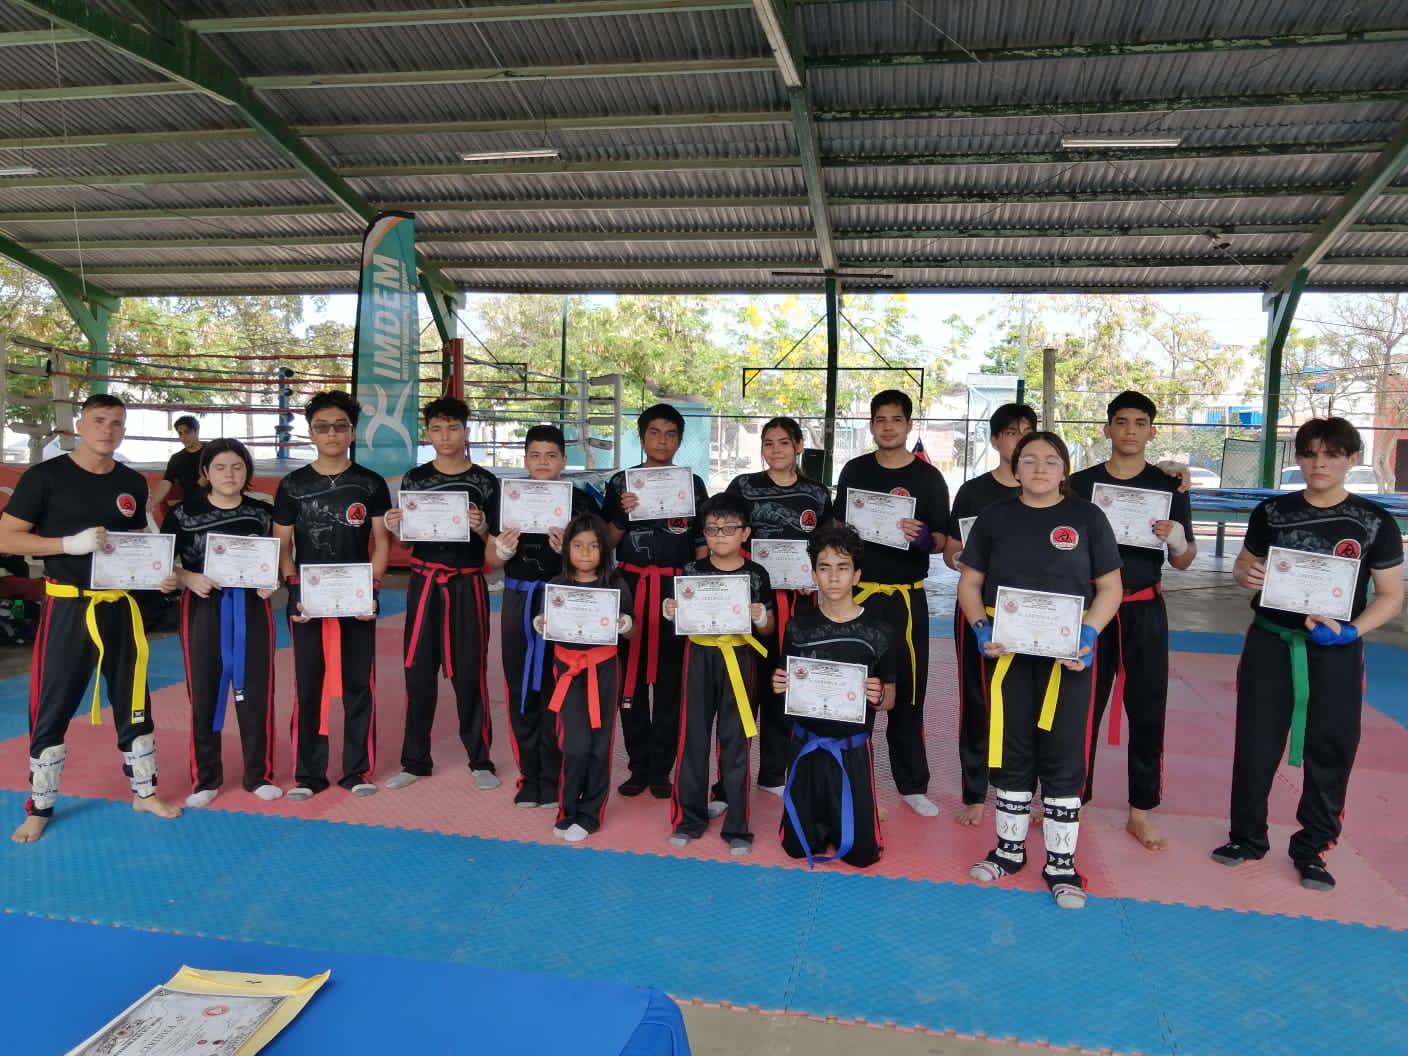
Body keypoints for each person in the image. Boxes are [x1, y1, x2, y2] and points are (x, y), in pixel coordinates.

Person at [1212, 417, 1403, 892]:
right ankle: (1246, 838)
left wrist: (1352, 631)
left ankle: (1313, 847)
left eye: (1332, 455)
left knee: (1332, 746)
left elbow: (1390, 596)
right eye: (1310, 454)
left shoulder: (1373, 521)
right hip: (1271, 641)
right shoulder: (1272, 512)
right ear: (1298, 458)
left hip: (1336, 650)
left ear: (1351, 459)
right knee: (1255, 743)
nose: (1320, 464)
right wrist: (1245, 575)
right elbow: (1244, 565)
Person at [2, 394, 182, 843]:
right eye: (99, 420)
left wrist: (156, 575)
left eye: (117, 422)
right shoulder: (45, 477)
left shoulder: (131, 482)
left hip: (120, 605)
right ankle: (39, 807)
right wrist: (66, 545)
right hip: (68, 606)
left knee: (133, 697)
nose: (107, 429)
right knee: (54, 702)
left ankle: (144, 792)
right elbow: (6, 537)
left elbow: (136, 542)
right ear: (80, 426)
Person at [958, 431, 1122, 909]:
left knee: (1065, 753)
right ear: (1015, 468)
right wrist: (980, 627)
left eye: (1050, 460)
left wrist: (1089, 633)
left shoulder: (1088, 518)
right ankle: (1008, 851)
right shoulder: (995, 517)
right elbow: (969, 582)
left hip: (1068, 659)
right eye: (1029, 459)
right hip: (1008, 655)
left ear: (1064, 469)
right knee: (1012, 750)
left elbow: (1110, 587)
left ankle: (1061, 863)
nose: (1039, 468)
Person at [1069, 391, 1197, 851]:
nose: (1129, 431)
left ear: (1152, 431)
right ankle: (1072, 800)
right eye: (1121, 422)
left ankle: (1140, 811)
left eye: (1140, 423)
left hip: (1145, 609)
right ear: (1107, 429)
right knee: (1080, 707)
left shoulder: (1169, 486)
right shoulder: (1080, 484)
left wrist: (1178, 540)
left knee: (1147, 710)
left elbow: (1184, 560)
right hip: (1091, 612)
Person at [835, 389, 950, 816]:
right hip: (858, 595)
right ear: (871, 425)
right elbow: (836, 525)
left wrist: (924, 539)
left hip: (905, 598)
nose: (888, 427)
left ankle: (911, 783)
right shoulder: (855, 469)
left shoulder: (928, 478)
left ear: (908, 425)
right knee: (854, 686)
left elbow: (942, 541)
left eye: (896, 419)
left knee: (909, 688)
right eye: (880, 420)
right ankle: (849, 775)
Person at [273, 391, 391, 800]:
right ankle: (309, 774)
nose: (332, 433)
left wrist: (372, 591)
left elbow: (381, 543)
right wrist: (294, 589)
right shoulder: (292, 485)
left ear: (352, 432)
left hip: (357, 601)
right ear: (311, 432)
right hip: (308, 601)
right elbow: (283, 546)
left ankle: (357, 770)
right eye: (322, 426)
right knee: (309, 686)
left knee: (360, 685)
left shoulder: (370, 483)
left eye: (341, 426)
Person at [382, 397, 501, 792]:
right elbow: (407, 542)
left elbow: (496, 546)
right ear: (428, 433)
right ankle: (415, 761)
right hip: (424, 584)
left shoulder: (485, 482)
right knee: (418, 673)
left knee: (471, 673)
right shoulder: (415, 479)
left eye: (453, 428)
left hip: (467, 583)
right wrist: (395, 527)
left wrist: (481, 527)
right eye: (437, 428)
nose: (445, 436)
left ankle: (480, 759)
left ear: (466, 431)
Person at [601, 404, 709, 799]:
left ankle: (662, 768)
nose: (662, 441)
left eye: (670, 434)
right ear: (641, 436)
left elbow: (701, 544)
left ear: (680, 440)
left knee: (670, 682)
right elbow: (605, 542)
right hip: (631, 586)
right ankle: (638, 765)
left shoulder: (692, 484)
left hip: (676, 589)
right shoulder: (621, 483)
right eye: (654, 432)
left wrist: (700, 592)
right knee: (628, 678)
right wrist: (623, 515)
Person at [773, 523, 896, 869]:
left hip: (852, 751)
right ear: (814, 574)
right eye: (824, 568)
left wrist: (879, 694)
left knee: (861, 856)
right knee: (796, 849)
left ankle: (863, 808)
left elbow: (890, 700)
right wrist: (779, 684)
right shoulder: (798, 626)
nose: (833, 577)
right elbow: (786, 685)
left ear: (856, 575)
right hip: (806, 746)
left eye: (843, 568)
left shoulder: (879, 631)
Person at [167, 438, 282, 807]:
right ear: (205, 472)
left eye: (237, 467)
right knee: (203, 692)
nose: (229, 474)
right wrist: (187, 577)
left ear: (247, 471)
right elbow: (163, 565)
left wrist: (272, 581)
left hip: (252, 607)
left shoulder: (262, 513)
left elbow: (278, 560)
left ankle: (259, 774)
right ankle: (205, 778)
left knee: (257, 692)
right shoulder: (183, 514)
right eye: (220, 467)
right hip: (202, 607)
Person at [492, 424, 600, 808]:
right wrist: (501, 551)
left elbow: (599, 558)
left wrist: (567, 553)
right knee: (520, 686)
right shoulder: (507, 498)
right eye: (535, 455)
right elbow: (488, 558)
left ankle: (556, 777)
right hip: (519, 599)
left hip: (565, 600)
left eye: (551, 455)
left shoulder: (582, 503)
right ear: (524, 460)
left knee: (561, 688)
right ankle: (530, 776)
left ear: (564, 460)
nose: (543, 462)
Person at [725, 416, 832, 795]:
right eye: (768, 443)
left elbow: (826, 545)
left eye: (784, 442)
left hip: (798, 603)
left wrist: (813, 577)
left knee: (784, 683)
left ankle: (773, 773)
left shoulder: (816, 493)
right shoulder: (744, 486)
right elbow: (723, 527)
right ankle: (728, 782)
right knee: (743, 686)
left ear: (799, 445)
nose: (776, 450)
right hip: (749, 599)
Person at [664, 493, 775, 855]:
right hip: (698, 654)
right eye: (712, 529)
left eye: (728, 528)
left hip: (740, 657)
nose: (720, 535)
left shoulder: (756, 574)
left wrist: (761, 617)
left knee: (736, 740)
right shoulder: (691, 571)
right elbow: (679, 618)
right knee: (692, 738)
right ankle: (688, 819)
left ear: (745, 533)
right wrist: (671, 610)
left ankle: (737, 825)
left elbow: (769, 628)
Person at [944, 402, 1037, 826]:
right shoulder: (974, 492)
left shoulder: (1048, 488)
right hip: (978, 607)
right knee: (977, 701)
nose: (1019, 440)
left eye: (1027, 432)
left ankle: (1025, 790)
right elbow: (950, 550)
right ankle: (976, 793)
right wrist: (962, 558)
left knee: (1030, 704)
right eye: (1011, 432)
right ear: (996, 440)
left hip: (1033, 615)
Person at [532, 513, 635, 842]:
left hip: (604, 669)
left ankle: (590, 814)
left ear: (604, 549)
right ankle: (567, 809)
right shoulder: (556, 584)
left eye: (593, 545)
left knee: (599, 745)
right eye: (578, 545)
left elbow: (631, 628)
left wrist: (625, 624)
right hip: (568, 669)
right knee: (574, 745)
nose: (586, 552)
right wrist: (540, 623)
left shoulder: (616, 583)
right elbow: (546, 620)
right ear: (566, 549)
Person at [148, 416, 204, 523]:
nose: (183, 438)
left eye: (187, 432)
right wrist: (151, 504)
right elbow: (166, 482)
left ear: (197, 431)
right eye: (180, 433)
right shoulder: (177, 459)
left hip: (215, 505)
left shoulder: (212, 451)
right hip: (190, 508)